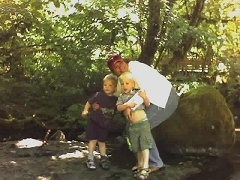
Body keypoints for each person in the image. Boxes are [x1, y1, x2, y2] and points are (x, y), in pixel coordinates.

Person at [106, 54, 179, 173]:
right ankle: (142, 162)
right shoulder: (124, 78)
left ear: (124, 61)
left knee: (140, 126)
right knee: (131, 127)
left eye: (121, 64)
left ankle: (155, 163)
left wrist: (129, 107)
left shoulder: (136, 68)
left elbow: (142, 92)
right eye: (116, 68)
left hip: (164, 99)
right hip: (153, 100)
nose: (120, 68)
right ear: (114, 72)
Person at [116, 72, 152, 180]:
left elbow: (147, 104)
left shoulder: (138, 93)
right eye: (122, 84)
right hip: (132, 126)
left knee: (144, 145)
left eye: (127, 83)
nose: (124, 86)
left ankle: (145, 167)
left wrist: (145, 97)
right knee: (137, 147)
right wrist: (127, 106)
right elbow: (118, 108)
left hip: (143, 123)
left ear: (133, 84)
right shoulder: (122, 97)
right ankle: (140, 166)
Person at [81, 74, 118, 170]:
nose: (107, 87)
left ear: (115, 88)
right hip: (94, 122)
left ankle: (103, 158)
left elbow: (120, 108)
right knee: (93, 140)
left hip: (105, 124)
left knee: (102, 141)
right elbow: (89, 102)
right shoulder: (98, 95)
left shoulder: (116, 99)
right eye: (105, 85)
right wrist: (86, 110)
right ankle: (90, 158)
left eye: (110, 85)